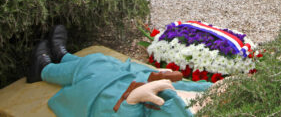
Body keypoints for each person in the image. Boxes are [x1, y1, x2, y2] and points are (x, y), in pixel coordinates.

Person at [26, 25, 211, 116]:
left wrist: (131, 100)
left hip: (121, 106)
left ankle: (44, 69)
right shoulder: (224, 98)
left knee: (95, 72)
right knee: (104, 62)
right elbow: (197, 88)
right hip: (142, 84)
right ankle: (65, 58)